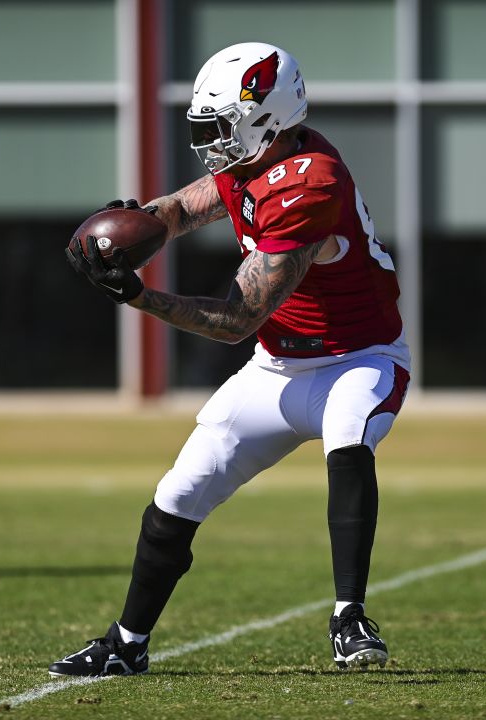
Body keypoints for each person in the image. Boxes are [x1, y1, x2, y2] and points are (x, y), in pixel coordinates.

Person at [52, 42, 410, 677]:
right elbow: (182, 209)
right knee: (178, 493)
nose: (211, 141)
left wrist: (140, 295)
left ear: (265, 119)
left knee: (348, 441)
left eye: (220, 127)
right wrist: (120, 231)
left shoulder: (312, 181)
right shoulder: (255, 161)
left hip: (358, 359)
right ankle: (128, 642)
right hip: (277, 369)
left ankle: (349, 617)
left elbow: (238, 318)